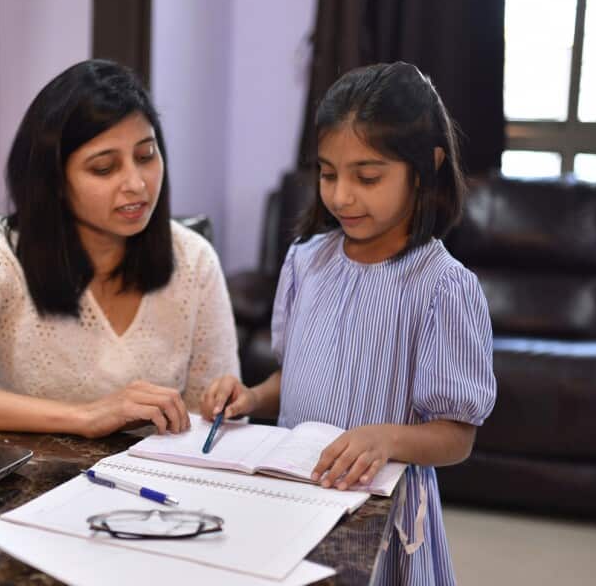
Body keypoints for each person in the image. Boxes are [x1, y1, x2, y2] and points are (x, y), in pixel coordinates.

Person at [201, 62, 495, 585]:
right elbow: (297, 374)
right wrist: (250, 396)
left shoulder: (443, 287)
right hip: (293, 496)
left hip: (379, 515)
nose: (340, 196)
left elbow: (457, 436)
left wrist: (387, 439)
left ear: (425, 167)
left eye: (368, 177)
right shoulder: (305, 259)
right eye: (328, 173)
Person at [0, 59, 240, 438]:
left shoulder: (193, 260)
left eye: (145, 156)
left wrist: (224, 405)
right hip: (33, 482)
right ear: (54, 180)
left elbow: (213, 417)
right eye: (105, 168)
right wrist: (86, 417)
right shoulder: (1, 257)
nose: (137, 185)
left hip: (158, 486)